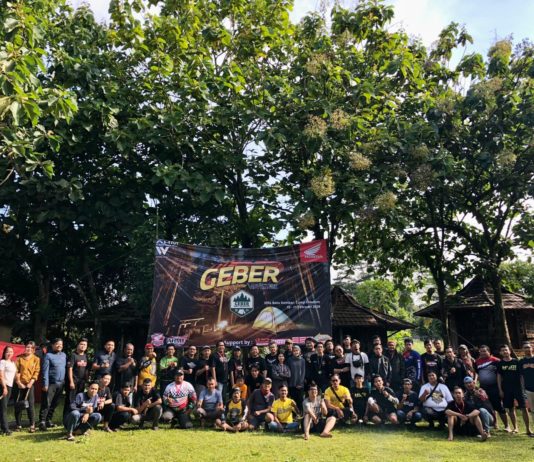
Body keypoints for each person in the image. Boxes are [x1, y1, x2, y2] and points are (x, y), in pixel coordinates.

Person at [497, 344, 531, 435]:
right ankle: (515, 428)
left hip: (518, 388)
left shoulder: (516, 362)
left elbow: (521, 376)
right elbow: (499, 377)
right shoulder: (500, 363)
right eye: (503, 350)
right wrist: (500, 389)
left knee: (524, 408)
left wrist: (523, 387)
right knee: (511, 408)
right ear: (500, 353)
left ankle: (528, 429)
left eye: (506, 350)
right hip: (506, 389)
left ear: (510, 351)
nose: (505, 351)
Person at [475, 344, 509, 431]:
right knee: (488, 407)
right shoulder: (477, 362)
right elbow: (476, 373)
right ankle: (495, 424)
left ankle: (507, 426)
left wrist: (501, 388)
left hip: (494, 387)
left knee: (499, 406)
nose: (482, 353)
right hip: (483, 388)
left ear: (489, 351)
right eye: (481, 351)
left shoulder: (496, 360)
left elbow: (501, 374)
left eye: (484, 351)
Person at [39, 338, 67, 431]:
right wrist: (45, 384)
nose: (59, 346)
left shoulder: (64, 355)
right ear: (52, 345)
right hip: (51, 383)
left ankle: (48, 420)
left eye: (61, 344)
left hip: (61, 383)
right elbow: (45, 371)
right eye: (57, 344)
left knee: (55, 403)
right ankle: (42, 422)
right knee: (46, 403)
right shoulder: (48, 355)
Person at [14, 341, 40, 432]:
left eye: (31, 347)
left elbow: (36, 371)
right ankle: (18, 425)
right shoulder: (19, 358)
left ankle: (32, 425)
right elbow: (16, 371)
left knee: (30, 405)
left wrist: (31, 382)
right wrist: (18, 383)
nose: (28, 349)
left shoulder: (36, 359)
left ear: (33, 349)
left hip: (30, 385)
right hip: (19, 385)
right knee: (18, 404)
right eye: (27, 347)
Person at [64, 338, 89, 418]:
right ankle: (66, 418)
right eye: (81, 344)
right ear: (78, 345)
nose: (83, 346)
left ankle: (76, 417)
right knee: (70, 400)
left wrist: (86, 380)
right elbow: (70, 369)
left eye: (85, 345)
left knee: (79, 400)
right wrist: (71, 381)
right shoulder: (73, 355)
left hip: (81, 383)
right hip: (73, 382)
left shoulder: (86, 356)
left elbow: (86, 370)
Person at [0, 345, 17, 436]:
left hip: (10, 387)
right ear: (4, 353)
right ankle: (5, 429)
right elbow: (1, 375)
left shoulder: (12, 363)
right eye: (7, 352)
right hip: (3, 386)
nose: (9, 353)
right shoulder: (3, 362)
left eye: (11, 352)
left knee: (3, 407)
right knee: (3, 408)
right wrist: (4, 387)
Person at [519, 341, 534, 436]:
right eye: (525, 347)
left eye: (528, 347)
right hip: (528, 389)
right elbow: (521, 377)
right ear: (523, 350)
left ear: (532, 348)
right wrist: (522, 388)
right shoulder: (521, 362)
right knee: (533, 410)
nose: (527, 349)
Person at [287, 345, 306, 410]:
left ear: (300, 351)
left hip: (300, 385)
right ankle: (294, 414)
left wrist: (300, 383)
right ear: (292, 352)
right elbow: (288, 371)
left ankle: (300, 414)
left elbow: (303, 372)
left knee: (300, 401)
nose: (296, 352)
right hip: (292, 384)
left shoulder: (302, 360)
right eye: (294, 351)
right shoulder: (289, 360)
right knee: (293, 401)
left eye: (297, 350)